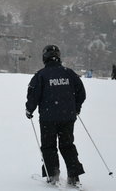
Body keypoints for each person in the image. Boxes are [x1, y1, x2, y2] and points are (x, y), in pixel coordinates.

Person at [25, 45, 86, 187]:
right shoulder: (69, 73)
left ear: (44, 58)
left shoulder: (40, 75)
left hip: (48, 118)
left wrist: (29, 110)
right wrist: (76, 108)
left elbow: (33, 95)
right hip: (67, 118)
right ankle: (74, 176)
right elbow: (81, 93)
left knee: (48, 146)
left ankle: (52, 175)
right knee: (67, 146)